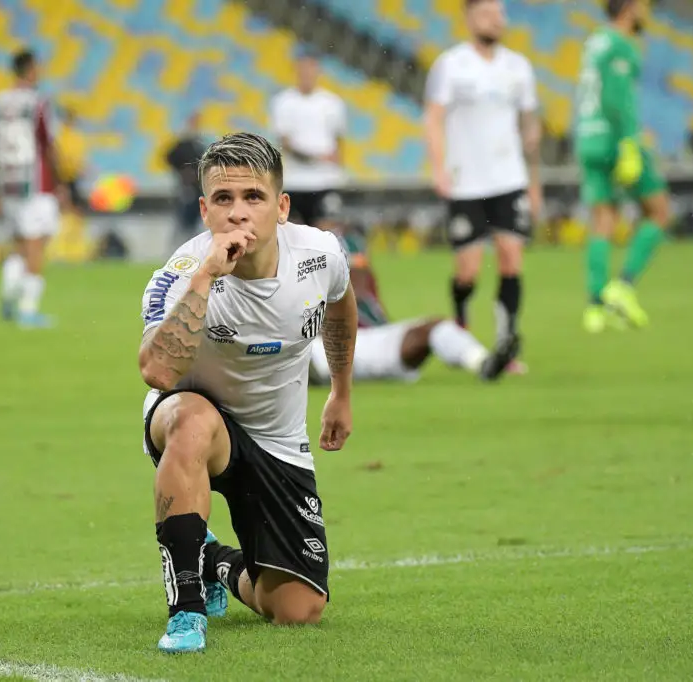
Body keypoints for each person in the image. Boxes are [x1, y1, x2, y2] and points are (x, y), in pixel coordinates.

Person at [138, 132, 357, 654]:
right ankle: (186, 611)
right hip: (193, 421)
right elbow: (158, 371)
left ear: (282, 207)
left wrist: (341, 392)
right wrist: (207, 276)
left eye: (253, 197)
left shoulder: (321, 254)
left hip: (277, 438)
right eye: (223, 198)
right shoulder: (181, 273)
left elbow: (341, 307)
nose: (238, 212)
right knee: (191, 421)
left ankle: (213, 561)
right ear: (204, 210)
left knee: (297, 610)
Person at [424, 0, 540, 367]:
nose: (496, 20)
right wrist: (439, 167)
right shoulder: (450, 65)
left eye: (500, 14)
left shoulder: (518, 67)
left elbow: (529, 126)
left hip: (509, 179)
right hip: (466, 183)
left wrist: (534, 181)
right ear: (470, 18)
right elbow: (433, 118)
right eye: (488, 14)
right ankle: (461, 317)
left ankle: (507, 345)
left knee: (511, 258)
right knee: (468, 271)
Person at [309, 222, 519, 385]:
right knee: (304, 348)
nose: (357, 275)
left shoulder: (349, 272)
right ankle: (308, 373)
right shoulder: (309, 278)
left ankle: (482, 362)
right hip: (329, 345)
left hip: (374, 340)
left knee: (436, 326)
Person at [575, 0, 669, 333]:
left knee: (602, 219)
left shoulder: (595, 41)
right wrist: (630, 142)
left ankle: (595, 307)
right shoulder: (622, 45)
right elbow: (618, 98)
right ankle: (623, 285)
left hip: (588, 137)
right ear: (628, 8)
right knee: (658, 211)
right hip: (615, 139)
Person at [0, 48, 70, 328]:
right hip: (36, 183)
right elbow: (48, 144)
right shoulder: (38, 103)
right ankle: (28, 310)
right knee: (36, 244)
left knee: (20, 244)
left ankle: (9, 296)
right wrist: (61, 182)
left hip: (8, 182)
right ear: (31, 70)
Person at [270, 52, 348, 229]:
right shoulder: (283, 102)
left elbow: (338, 142)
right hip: (295, 182)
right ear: (296, 70)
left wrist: (339, 171)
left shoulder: (333, 103)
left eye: (311, 68)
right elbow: (285, 144)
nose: (307, 73)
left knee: (326, 234)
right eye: (303, 68)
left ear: (318, 71)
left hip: (326, 181)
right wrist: (318, 158)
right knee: (293, 235)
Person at [164, 111, 208, 249]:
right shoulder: (183, 144)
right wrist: (182, 172)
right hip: (187, 189)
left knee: (195, 220)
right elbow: (169, 158)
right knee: (184, 220)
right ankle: (177, 248)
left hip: (198, 189)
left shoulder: (198, 144)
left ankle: (191, 248)